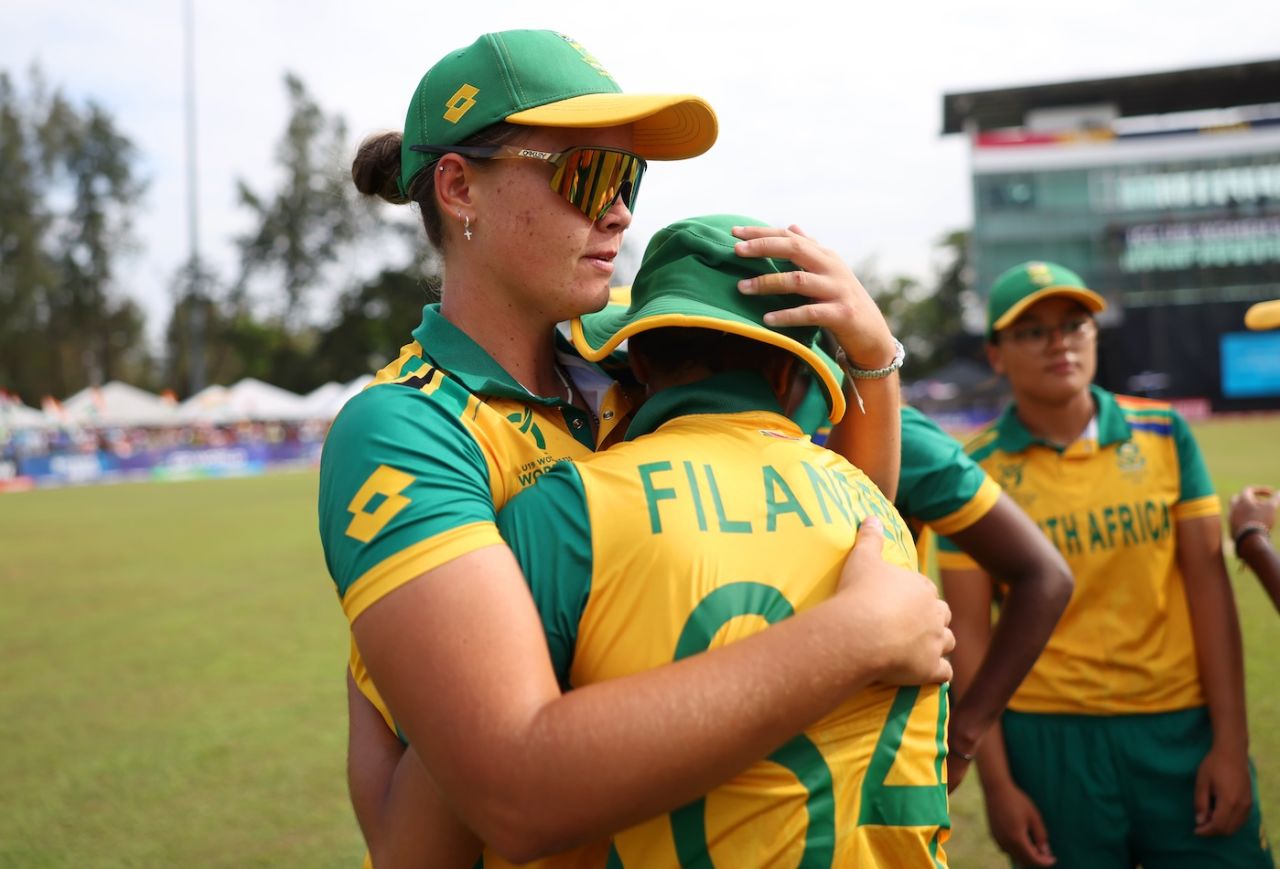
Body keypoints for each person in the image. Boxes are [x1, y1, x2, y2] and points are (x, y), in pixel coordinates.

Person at [319, 30, 953, 866]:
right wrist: (856, 636)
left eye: (630, 179)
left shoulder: (637, 351)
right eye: (588, 174)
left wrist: (874, 357)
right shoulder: (405, 428)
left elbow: (833, 530)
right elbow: (514, 791)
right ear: (459, 186)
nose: (620, 211)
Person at [937, 261, 1272, 868]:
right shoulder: (972, 469)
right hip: (1049, 741)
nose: (1060, 342)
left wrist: (1230, 743)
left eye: (1075, 324)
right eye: (1033, 331)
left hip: (1180, 728)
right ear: (995, 355)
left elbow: (1210, 596)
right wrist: (1000, 785)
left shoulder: (1164, 434)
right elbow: (970, 640)